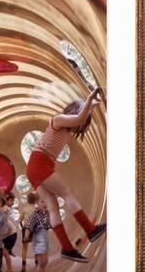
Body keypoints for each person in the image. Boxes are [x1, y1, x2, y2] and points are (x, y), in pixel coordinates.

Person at [26, 87, 106, 262]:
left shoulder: (65, 127)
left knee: (53, 207)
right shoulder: (58, 119)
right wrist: (90, 99)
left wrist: (92, 106)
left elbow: (80, 118)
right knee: (67, 193)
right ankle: (90, 229)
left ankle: (67, 249)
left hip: (36, 165)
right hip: (40, 162)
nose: (81, 125)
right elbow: (78, 118)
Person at [23, 192, 52, 272]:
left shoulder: (47, 213)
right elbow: (29, 226)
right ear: (37, 203)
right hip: (38, 237)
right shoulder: (34, 215)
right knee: (41, 261)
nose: (44, 204)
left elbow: (50, 224)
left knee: (46, 261)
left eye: (46, 202)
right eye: (42, 202)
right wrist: (26, 236)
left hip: (46, 236)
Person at [18, 191, 37, 272]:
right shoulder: (36, 210)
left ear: (27, 200)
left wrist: (23, 227)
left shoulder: (25, 209)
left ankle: (23, 266)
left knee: (24, 247)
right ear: (35, 200)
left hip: (26, 229)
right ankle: (37, 263)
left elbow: (19, 221)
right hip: (34, 229)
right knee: (36, 246)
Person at [0, 192, 18, 272]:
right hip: (9, 234)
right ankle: (8, 269)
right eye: (11, 200)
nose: (13, 202)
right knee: (3, 252)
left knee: (4, 252)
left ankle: (10, 270)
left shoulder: (6, 209)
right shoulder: (6, 208)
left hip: (10, 235)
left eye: (13, 201)